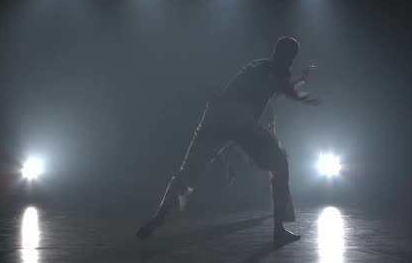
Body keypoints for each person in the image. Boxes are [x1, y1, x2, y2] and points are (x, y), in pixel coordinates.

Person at [135, 36, 320, 248]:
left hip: (214, 115)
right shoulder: (279, 69)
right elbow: (286, 90)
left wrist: (298, 80)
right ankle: (279, 230)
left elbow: (276, 88)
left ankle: (158, 218)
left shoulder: (258, 66)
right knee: (280, 164)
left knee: (187, 173)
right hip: (239, 118)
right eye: (292, 57)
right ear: (288, 56)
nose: (291, 61)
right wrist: (303, 96)